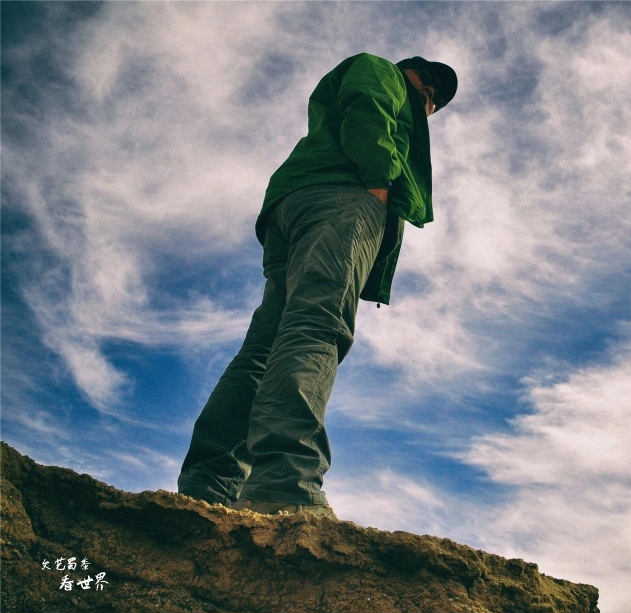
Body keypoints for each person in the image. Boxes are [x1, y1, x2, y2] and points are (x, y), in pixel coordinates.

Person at [176, 53, 458, 520]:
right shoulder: (381, 70)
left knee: (264, 347)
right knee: (317, 325)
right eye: (428, 89)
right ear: (413, 73)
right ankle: (286, 483)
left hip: (296, 203)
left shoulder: (374, 84)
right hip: (343, 198)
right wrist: (380, 183)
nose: (429, 103)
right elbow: (367, 107)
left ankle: (210, 486)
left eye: (435, 103)